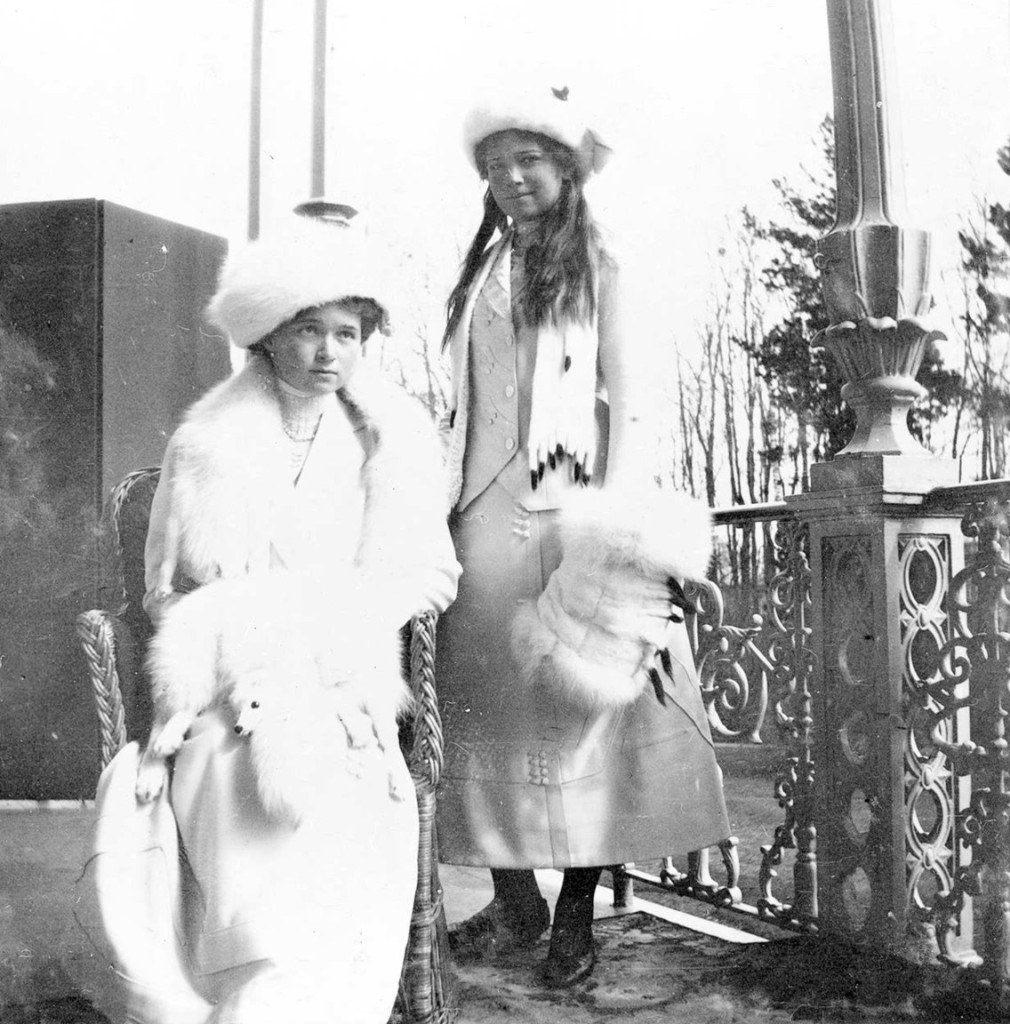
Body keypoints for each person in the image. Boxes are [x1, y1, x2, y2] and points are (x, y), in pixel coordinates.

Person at [83, 218, 460, 1024]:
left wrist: (347, 622)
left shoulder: (389, 442)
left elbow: (434, 573)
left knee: (353, 786)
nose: (329, 353)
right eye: (309, 332)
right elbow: (164, 590)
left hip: (344, 673)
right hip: (230, 674)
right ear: (266, 338)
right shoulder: (204, 442)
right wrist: (240, 637)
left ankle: (309, 997)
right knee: (224, 768)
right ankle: (246, 987)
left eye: (347, 335)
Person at [435, 85, 731, 988]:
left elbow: (630, 402)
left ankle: (574, 914)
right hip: (476, 526)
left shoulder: (598, 264)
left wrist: (605, 526)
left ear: (566, 168)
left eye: (529, 160)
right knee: (480, 704)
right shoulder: (481, 269)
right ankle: (516, 894)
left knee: (582, 707)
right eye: (496, 165)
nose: (512, 177)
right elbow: (464, 402)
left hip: (565, 514)